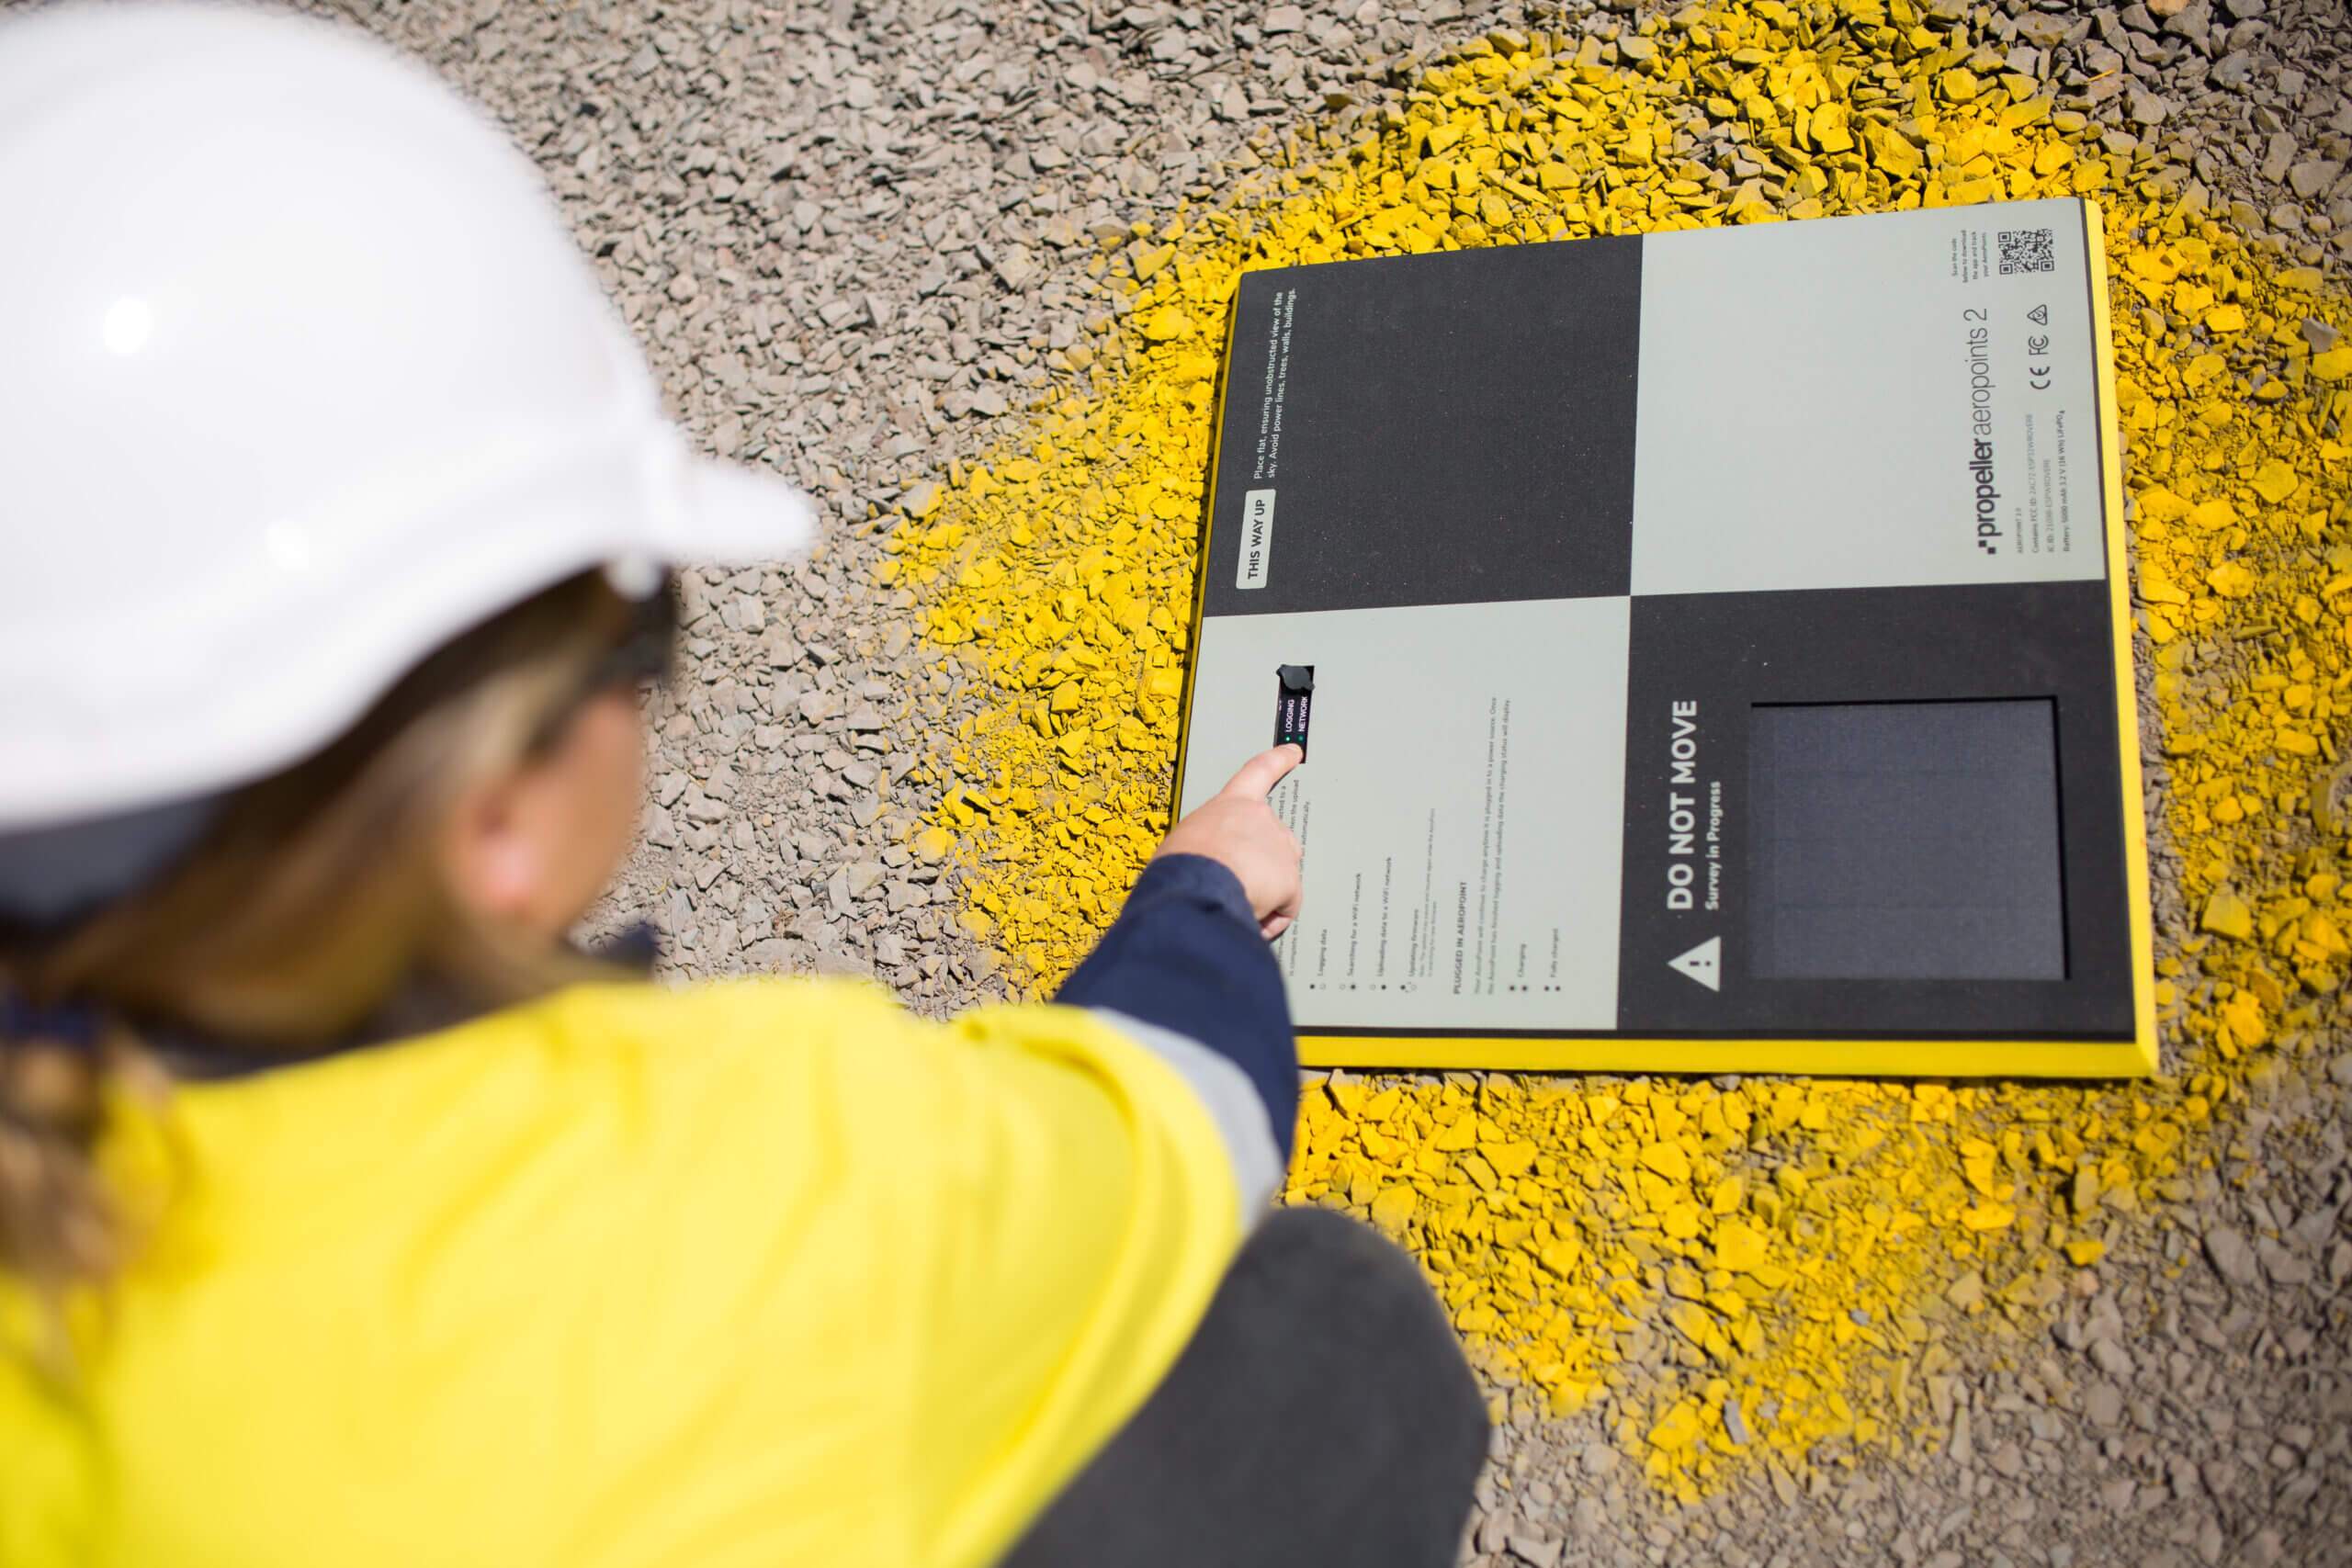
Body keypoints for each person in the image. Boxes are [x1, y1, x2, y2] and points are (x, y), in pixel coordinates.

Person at [0, 6, 1487, 1566]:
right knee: (1334, 1331)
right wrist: (1201, 895)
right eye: (635, 625)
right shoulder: (758, 1179)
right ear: (492, 816)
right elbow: (1184, 1124)